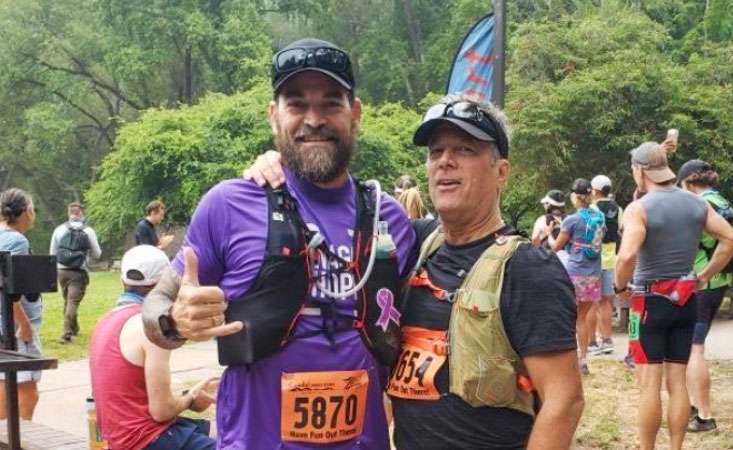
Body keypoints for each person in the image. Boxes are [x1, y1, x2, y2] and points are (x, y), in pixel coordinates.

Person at [244, 94, 585, 449]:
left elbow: (564, 400)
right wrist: (279, 164)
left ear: (501, 172)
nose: (445, 162)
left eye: (465, 150)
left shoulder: (527, 269)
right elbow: (331, 199)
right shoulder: (414, 241)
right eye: (435, 152)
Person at [141, 38, 416, 449]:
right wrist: (173, 321)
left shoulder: (389, 217)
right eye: (296, 104)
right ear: (274, 116)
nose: (314, 119)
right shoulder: (228, 204)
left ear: (355, 114)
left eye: (330, 103)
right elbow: (153, 308)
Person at [614, 142, 733, 450]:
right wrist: (704, 276)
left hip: (649, 302)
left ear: (640, 171)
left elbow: (627, 256)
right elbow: (729, 238)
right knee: (677, 383)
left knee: (649, 386)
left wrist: (618, 287)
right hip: (686, 299)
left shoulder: (638, 208)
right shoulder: (696, 203)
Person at [90, 245, 218, 450]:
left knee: (213, 431)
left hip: (119, 439)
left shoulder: (104, 320)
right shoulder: (150, 326)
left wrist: (190, 396)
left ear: (122, 280)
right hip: (145, 440)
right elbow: (161, 410)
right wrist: (192, 395)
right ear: (165, 285)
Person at [677, 159, 733, 432]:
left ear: (688, 182)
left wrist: (703, 275)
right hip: (720, 281)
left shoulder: (699, 204)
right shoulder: (721, 200)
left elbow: (728, 241)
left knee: (694, 348)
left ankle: (705, 415)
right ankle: (691, 405)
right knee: (693, 346)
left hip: (702, 284)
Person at [549, 178, 605, 376]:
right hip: (593, 274)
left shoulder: (571, 220)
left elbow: (556, 247)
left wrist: (550, 233)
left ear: (574, 197)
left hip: (574, 273)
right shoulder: (600, 217)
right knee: (582, 317)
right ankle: (583, 360)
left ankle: (567, 360)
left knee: (567, 316)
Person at [0, 188, 43, 420]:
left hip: (3, 326)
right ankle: (21, 440)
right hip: (14, 328)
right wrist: (23, 324)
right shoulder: (16, 241)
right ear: (27, 211)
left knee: (4, 386)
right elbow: (7, 287)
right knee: (27, 392)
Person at [49, 202, 102, 343]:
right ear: (81, 214)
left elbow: (52, 253)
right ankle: (66, 332)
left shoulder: (59, 229)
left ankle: (74, 328)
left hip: (61, 270)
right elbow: (97, 254)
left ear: (69, 213)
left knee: (68, 300)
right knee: (72, 301)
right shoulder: (88, 231)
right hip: (78, 271)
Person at [588, 174, 623, 356]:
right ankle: (607, 340)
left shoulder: (592, 208)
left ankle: (592, 341)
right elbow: (620, 230)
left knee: (592, 301)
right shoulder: (618, 208)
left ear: (594, 190)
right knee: (607, 300)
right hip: (611, 257)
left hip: (593, 258)